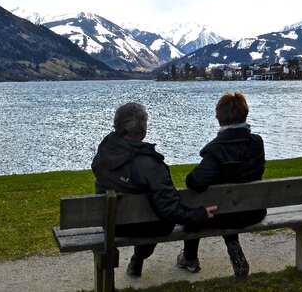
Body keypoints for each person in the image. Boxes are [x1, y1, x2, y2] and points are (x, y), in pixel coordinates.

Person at [91, 102, 217, 278]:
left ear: (117, 126)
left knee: (150, 214)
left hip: (113, 224)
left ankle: (137, 261)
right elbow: (170, 211)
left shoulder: (104, 151)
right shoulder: (150, 165)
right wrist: (200, 215)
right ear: (143, 129)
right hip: (146, 225)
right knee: (157, 218)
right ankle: (138, 258)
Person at [177, 92, 267, 282]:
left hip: (221, 215)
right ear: (245, 115)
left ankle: (190, 258)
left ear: (219, 118)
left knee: (198, 210)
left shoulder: (216, 149)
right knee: (228, 205)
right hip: (254, 211)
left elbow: (194, 182)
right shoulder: (257, 143)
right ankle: (233, 244)